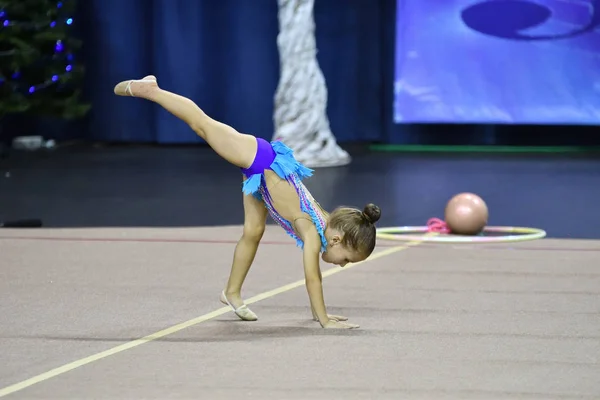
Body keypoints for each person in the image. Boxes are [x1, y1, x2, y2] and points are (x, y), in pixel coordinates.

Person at [113, 76, 381, 329]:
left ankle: (231, 292)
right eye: (346, 259)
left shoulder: (326, 223)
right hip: (258, 158)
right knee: (202, 124)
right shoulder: (312, 229)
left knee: (253, 232)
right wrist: (324, 320)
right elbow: (313, 277)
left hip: (263, 181)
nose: (342, 265)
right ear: (336, 240)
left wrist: (318, 313)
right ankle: (153, 90)